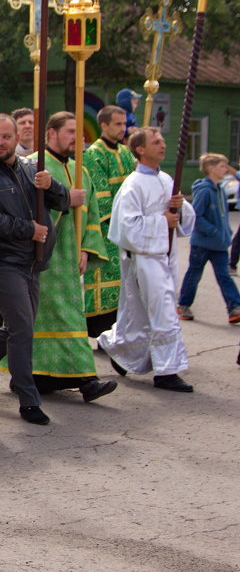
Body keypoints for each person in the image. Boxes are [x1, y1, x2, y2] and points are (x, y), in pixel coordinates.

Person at [0, 114, 69, 425]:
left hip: (33, 262)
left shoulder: (31, 169)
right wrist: (29, 230)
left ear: (15, 139)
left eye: (5, 137)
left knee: (14, 327)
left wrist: (51, 186)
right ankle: (28, 399)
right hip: (1, 262)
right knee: (23, 328)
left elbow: (63, 202)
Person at [23, 112, 115, 403]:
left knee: (70, 317)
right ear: (51, 133)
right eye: (71, 131)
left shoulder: (81, 170)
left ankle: (50, 378)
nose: (78, 138)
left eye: (80, 132)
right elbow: (26, 210)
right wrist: (64, 200)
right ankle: (84, 380)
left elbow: (92, 217)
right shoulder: (33, 165)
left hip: (70, 257)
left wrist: (87, 249)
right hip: (43, 255)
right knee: (44, 318)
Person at [98, 128, 196, 391]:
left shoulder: (165, 179)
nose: (163, 145)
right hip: (144, 258)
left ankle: (119, 348)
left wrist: (180, 206)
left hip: (165, 255)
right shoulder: (133, 185)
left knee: (140, 314)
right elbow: (127, 228)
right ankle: (166, 372)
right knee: (164, 311)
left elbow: (184, 218)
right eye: (156, 141)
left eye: (163, 140)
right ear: (140, 149)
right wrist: (162, 221)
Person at [82, 104, 136, 337]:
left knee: (125, 282)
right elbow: (100, 196)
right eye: (118, 124)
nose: (122, 129)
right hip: (108, 228)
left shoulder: (126, 152)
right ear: (104, 125)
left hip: (128, 227)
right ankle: (99, 328)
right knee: (105, 278)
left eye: (124, 124)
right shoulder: (94, 154)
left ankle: (118, 330)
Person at [176, 153, 240, 323]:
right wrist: (213, 231)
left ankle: (235, 308)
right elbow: (196, 216)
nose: (225, 169)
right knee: (194, 274)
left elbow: (223, 216)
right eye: (221, 166)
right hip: (203, 244)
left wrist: (225, 232)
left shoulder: (220, 189)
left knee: (224, 276)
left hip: (219, 244)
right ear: (210, 168)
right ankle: (183, 305)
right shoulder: (205, 190)